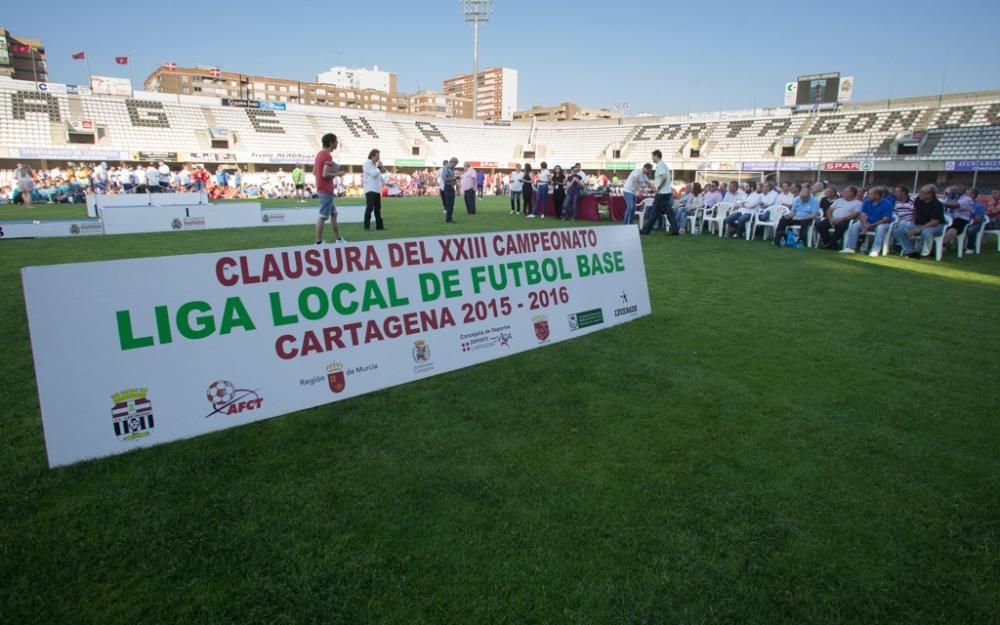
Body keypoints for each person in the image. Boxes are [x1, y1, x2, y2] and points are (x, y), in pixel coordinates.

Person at [893, 184, 944, 259]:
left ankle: (925, 254)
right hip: (919, 224)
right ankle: (910, 251)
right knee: (899, 231)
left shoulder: (937, 205)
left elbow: (934, 222)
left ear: (930, 194)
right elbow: (915, 211)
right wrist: (912, 223)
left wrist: (918, 229)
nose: (919, 194)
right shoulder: (918, 200)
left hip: (935, 226)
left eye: (922, 192)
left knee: (926, 232)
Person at [313, 133, 346, 244]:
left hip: (322, 188)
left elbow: (315, 172)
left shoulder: (319, 155)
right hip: (325, 190)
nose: (337, 144)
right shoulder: (327, 156)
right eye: (336, 142)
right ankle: (318, 242)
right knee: (322, 216)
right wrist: (338, 173)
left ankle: (338, 239)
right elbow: (325, 174)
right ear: (331, 143)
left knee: (334, 214)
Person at [842, 186, 894, 255]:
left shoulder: (887, 203)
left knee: (880, 228)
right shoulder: (867, 202)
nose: (868, 196)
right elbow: (862, 215)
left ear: (877, 195)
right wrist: (865, 224)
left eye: (870, 194)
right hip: (868, 223)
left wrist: (871, 225)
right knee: (855, 225)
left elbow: (885, 219)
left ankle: (875, 250)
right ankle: (850, 248)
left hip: (882, 223)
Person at [640, 150, 678, 236]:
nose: (652, 158)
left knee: (654, 211)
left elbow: (663, 177)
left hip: (662, 193)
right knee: (669, 212)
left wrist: (659, 187)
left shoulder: (660, 165)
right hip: (667, 192)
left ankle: (645, 230)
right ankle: (675, 230)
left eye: (652, 156)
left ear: (656, 156)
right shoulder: (663, 164)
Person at [813, 185, 857, 250]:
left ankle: (830, 243)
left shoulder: (857, 203)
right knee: (819, 225)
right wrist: (831, 219)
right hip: (832, 218)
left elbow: (854, 215)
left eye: (845, 192)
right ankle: (830, 243)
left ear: (851, 193)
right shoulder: (839, 200)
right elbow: (829, 210)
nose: (843, 193)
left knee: (840, 226)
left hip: (844, 220)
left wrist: (841, 219)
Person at [363, 149, 386, 231]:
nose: (379, 158)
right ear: (373, 155)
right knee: (369, 208)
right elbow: (373, 174)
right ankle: (366, 226)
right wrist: (379, 167)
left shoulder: (374, 166)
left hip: (376, 190)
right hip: (370, 189)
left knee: (377, 209)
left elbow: (379, 176)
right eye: (377, 156)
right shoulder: (367, 164)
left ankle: (379, 227)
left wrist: (386, 183)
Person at [440, 157, 458, 223]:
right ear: (452, 162)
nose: (455, 166)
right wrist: (454, 178)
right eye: (455, 164)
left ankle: (450, 218)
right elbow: (444, 178)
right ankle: (448, 219)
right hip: (447, 187)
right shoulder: (446, 168)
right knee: (449, 204)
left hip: (451, 187)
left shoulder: (452, 168)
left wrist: (455, 179)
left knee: (452, 204)